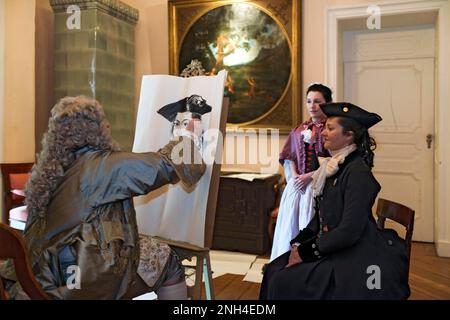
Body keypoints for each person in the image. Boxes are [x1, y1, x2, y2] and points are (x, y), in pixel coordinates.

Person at [5, 96, 206, 300]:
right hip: (77, 280)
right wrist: (187, 137)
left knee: (146, 247)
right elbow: (162, 166)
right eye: (104, 122)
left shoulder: (52, 169)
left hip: (41, 274)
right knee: (167, 260)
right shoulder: (100, 166)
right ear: (98, 129)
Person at [260, 102, 411, 299]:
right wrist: (298, 244)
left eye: (330, 128)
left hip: (354, 253)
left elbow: (349, 231)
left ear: (349, 136)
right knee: (273, 269)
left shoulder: (357, 173)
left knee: (282, 280)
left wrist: (306, 252)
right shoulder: (334, 167)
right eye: (325, 127)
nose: (323, 133)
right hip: (334, 247)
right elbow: (321, 217)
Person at [270, 83, 332, 261]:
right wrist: (296, 175)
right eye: (309, 101)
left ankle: (307, 265)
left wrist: (309, 176)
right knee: (291, 228)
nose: (312, 106)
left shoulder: (331, 129)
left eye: (317, 101)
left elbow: (334, 161)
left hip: (318, 188)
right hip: (297, 188)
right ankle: (286, 263)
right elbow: (288, 157)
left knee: (309, 227)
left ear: (327, 103)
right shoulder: (299, 129)